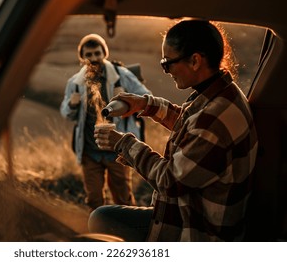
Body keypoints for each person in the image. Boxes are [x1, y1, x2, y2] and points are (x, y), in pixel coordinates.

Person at [90, 19, 258, 241]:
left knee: (101, 219)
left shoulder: (215, 119)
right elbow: (191, 126)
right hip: (190, 213)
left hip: (197, 229)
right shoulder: (224, 94)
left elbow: (170, 182)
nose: (166, 70)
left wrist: (123, 144)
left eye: (167, 62)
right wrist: (145, 104)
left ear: (195, 61)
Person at [60, 33, 151, 211]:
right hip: (89, 151)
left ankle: (126, 235)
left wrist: (126, 99)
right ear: (82, 58)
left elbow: (147, 99)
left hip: (117, 150)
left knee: (123, 200)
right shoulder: (75, 83)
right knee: (93, 200)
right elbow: (66, 113)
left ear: (104, 53)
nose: (93, 58)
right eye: (88, 55)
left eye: (97, 53)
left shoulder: (121, 75)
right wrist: (72, 104)